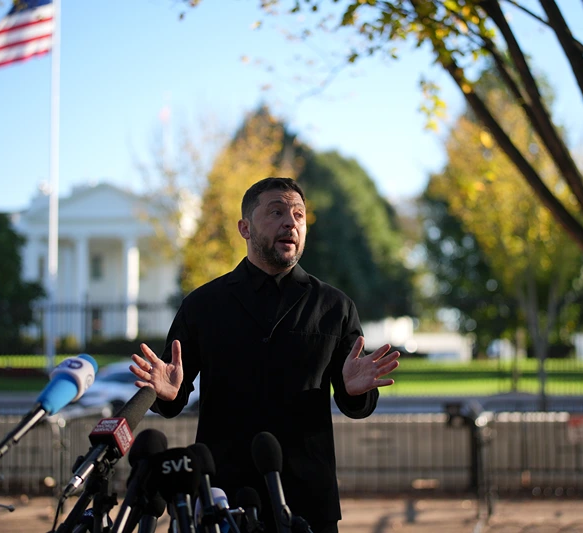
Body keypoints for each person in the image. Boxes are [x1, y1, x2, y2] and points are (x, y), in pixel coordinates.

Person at [129, 177, 400, 533]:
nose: (291, 222)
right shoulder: (202, 306)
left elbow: (356, 405)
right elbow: (173, 397)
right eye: (276, 212)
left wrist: (355, 391)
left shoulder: (335, 307)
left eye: (299, 215)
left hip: (308, 499)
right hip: (222, 497)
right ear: (245, 227)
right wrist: (165, 393)